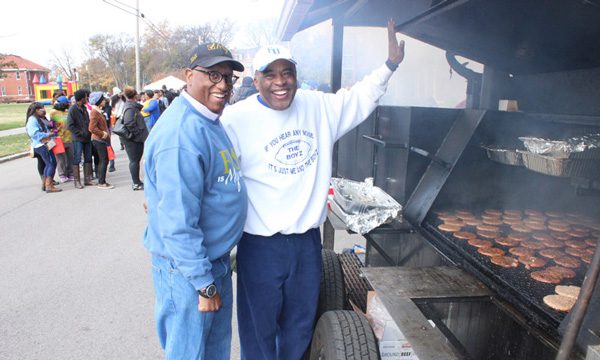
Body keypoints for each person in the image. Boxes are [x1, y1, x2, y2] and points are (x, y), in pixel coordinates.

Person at [220, 19, 405, 360]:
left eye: (286, 72)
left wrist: (389, 65)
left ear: (295, 74)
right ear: (256, 79)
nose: (280, 82)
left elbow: (359, 98)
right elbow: (211, 167)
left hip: (306, 243)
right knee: (258, 330)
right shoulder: (234, 120)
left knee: (300, 327)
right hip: (259, 245)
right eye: (270, 74)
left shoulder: (318, 107)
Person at [143, 42, 247, 359]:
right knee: (189, 353)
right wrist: (203, 284)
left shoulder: (208, 120)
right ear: (189, 76)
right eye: (213, 74)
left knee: (213, 351)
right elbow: (178, 223)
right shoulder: (182, 134)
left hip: (210, 261)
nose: (223, 85)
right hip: (189, 272)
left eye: (228, 77)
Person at [25, 102, 62, 193]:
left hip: (45, 143)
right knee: (51, 164)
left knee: (49, 163)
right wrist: (48, 134)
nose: (44, 110)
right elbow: (34, 134)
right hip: (41, 145)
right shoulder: (32, 120)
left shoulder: (38, 119)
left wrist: (51, 131)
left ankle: (45, 184)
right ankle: (49, 185)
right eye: (41, 108)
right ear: (36, 110)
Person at [120, 86, 148, 190]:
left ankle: (137, 182)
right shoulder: (130, 107)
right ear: (135, 95)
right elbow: (128, 122)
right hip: (133, 140)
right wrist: (137, 134)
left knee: (135, 160)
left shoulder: (129, 106)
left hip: (133, 139)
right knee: (134, 161)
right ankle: (136, 183)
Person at [67, 89, 93, 189]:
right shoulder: (73, 109)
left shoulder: (84, 108)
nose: (87, 99)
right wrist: (81, 133)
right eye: (86, 97)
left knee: (88, 157)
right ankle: (77, 181)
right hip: (77, 139)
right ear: (81, 98)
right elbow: (70, 125)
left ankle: (87, 179)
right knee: (77, 158)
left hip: (87, 138)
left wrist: (89, 131)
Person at [88, 92, 114, 189]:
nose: (104, 101)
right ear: (99, 101)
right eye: (102, 100)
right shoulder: (95, 112)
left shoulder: (98, 111)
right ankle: (101, 182)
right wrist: (103, 134)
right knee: (104, 160)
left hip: (101, 139)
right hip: (99, 140)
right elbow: (91, 128)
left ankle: (101, 180)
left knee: (102, 160)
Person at [49, 95, 74, 182]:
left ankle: (70, 173)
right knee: (61, 159)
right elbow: (52, 125)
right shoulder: (53, 113)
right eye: (67, 103)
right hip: (58, 139)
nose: (68, 105)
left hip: (69, 138)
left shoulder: (67, 112)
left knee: (70, 157)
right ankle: (62, 174)